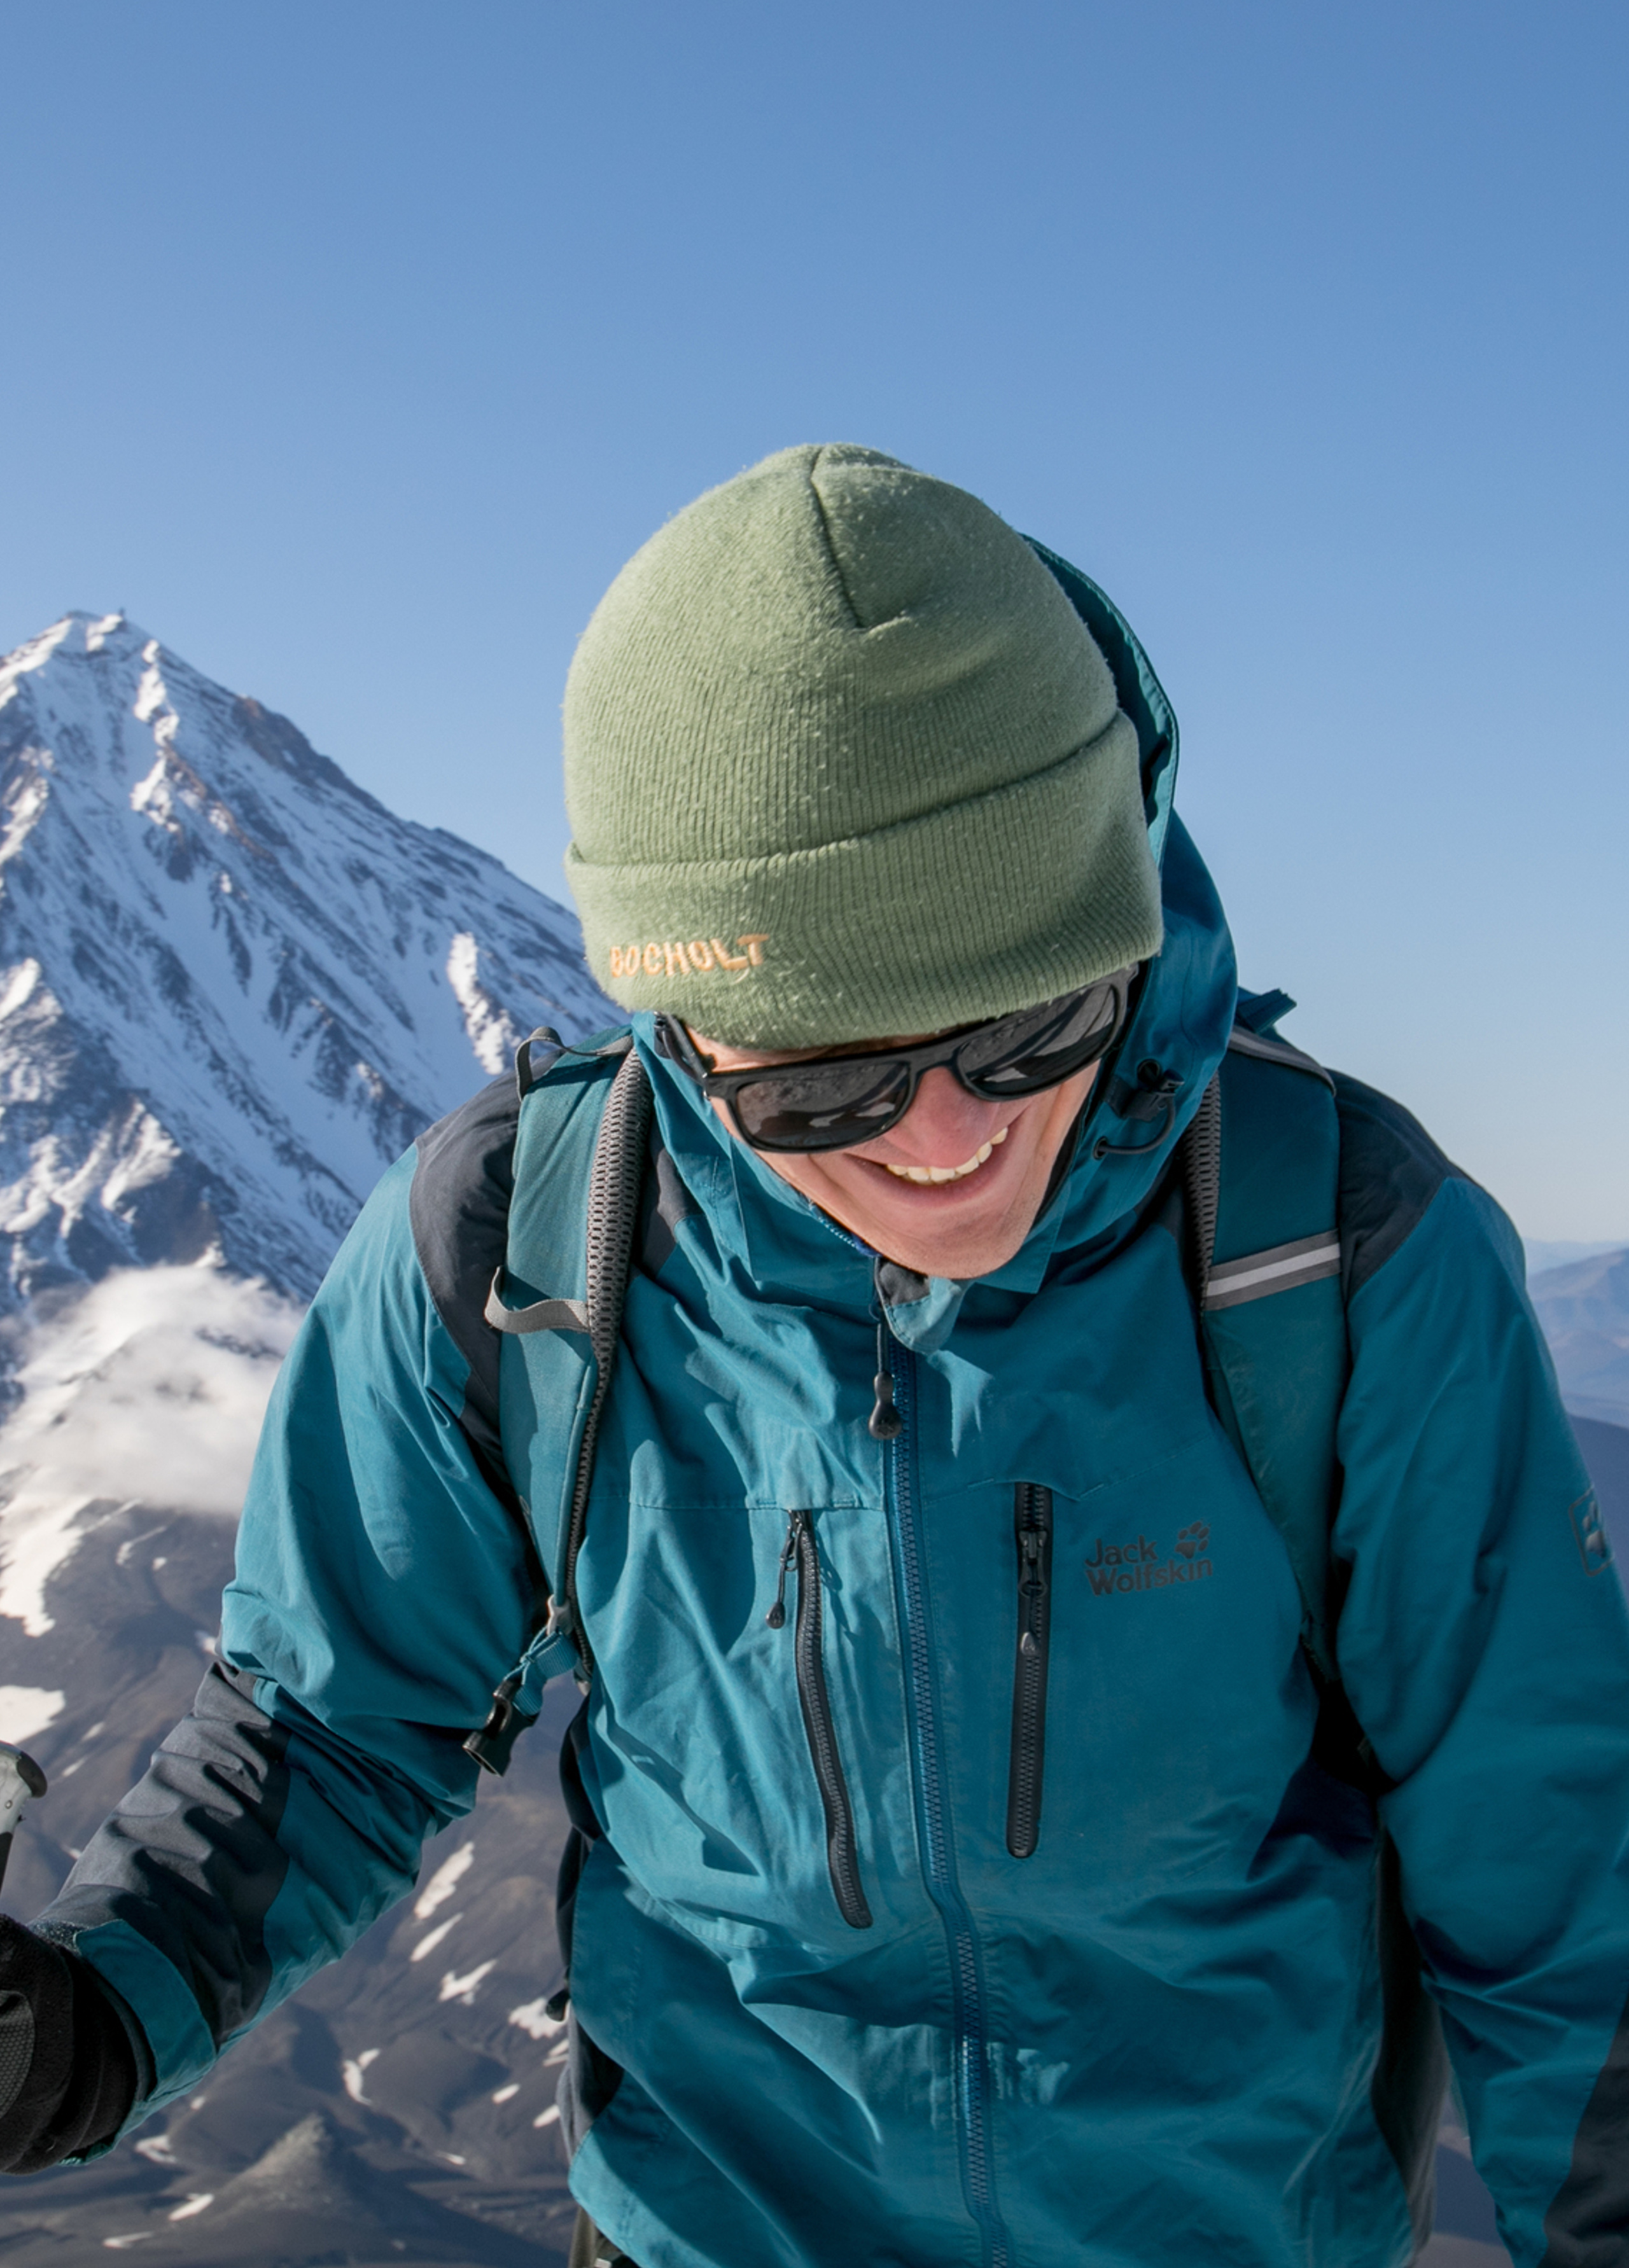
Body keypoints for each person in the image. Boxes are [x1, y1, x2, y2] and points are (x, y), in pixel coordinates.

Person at [0, 443, 1622, 2268]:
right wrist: (91, 2020)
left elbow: (1556, 1862)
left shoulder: (1330, 1245)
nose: (948, 1138)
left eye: (1033, 1023)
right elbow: (333, 1715)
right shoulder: (525, 1252)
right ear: (683, 1024)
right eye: (826, 1081)